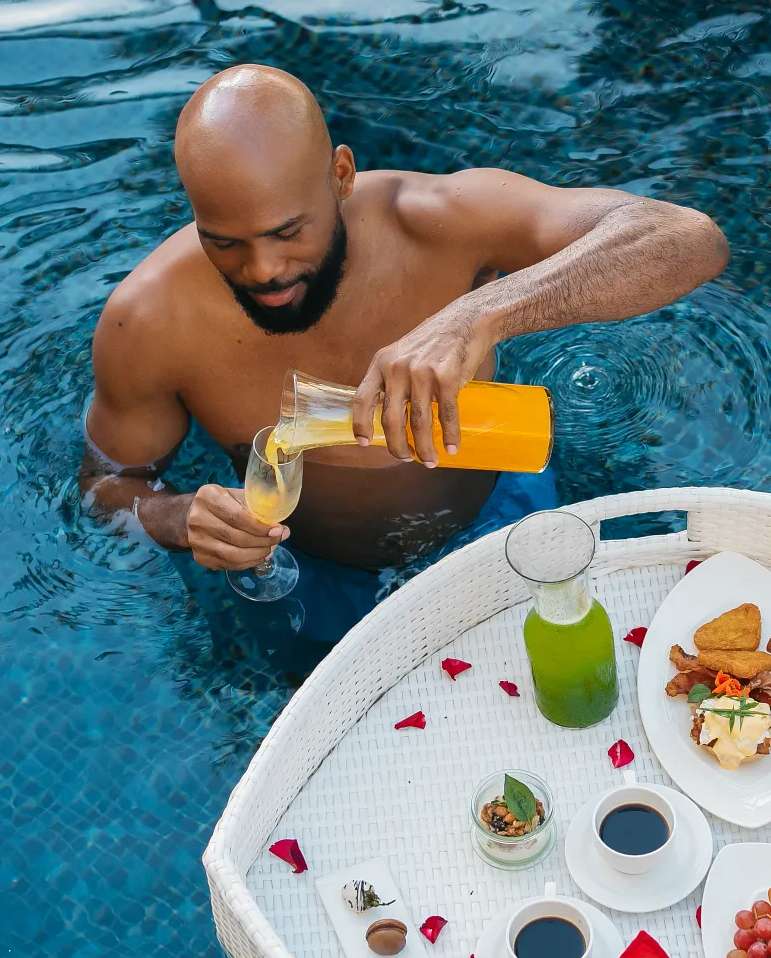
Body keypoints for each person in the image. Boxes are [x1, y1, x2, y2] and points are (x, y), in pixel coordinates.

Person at [80, 63, 729, 648]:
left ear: (340, 176)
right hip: (305, 570)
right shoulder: (148, 322)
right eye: (225, 243)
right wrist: (180, 517)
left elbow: (686, 240)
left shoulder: (440, 221)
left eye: (288, 232)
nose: (265, 270)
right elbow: (108, 487)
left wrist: (476, 317)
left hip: (501, 511)